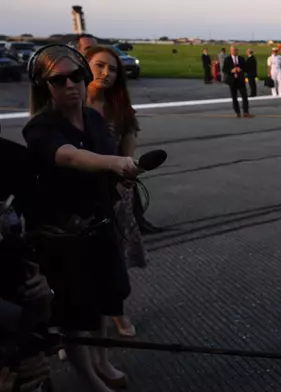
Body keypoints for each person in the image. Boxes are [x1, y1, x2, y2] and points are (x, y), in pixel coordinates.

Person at [22, 44, 139, 392]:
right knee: (75, 316)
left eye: (76, 76)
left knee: (106, 302)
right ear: (45, 85)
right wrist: (115, 163)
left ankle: (102, 361)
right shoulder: (39, 128)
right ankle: (89, 379)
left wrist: (121, 175)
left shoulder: (93, 117)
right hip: (65, 236)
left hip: (101, 225)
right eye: (59, 80)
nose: (70, 84)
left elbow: (106, 155)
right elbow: (71, 156)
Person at [85, 45, 150, 342]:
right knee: (76, 262)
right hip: (75, 194)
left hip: (112, 193)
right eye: (99, 66)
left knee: (114, 259)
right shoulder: (68, 106)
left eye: (112, 69)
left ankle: (117, 311)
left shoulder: (120, 109)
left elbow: (128, 152)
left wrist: (127, 181)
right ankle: (75, 324)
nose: (106, 73)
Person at [222, 45, 252, 118]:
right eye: (233, 50)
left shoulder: (241, 59)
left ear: (237, 51)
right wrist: (231, 70)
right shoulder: (227, 59)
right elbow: (224, 69)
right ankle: (237, 112)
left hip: (240, 80)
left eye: (235, 50)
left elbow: (246, 68)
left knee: (244, 96)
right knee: (234, 97)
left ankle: (246, 112)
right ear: (230, 51)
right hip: (232, 81)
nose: (234, 51)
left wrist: (241, 69)